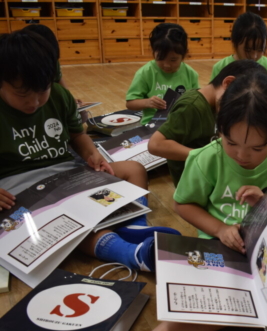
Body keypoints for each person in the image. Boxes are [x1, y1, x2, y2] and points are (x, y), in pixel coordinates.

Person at [93, 71, 267, 331]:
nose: (242, 155)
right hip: (217, 249)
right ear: (219, 127)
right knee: (227, 300)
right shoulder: (206, 157)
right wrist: (220, 229)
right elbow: (182, 204)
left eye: (257, 147)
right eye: (231, 143)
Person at [0, 30, 179, 272]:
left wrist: (91, 154)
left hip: (66, 174)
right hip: (18, 188)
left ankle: (135, 226)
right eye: (22, 94)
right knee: (67, 223)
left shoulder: (60, 95)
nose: (34, 102)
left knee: (134, 169)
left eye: (42, 91)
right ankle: (131, 254)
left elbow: (77, 134)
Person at [148, 60, 267, 186]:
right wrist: (204, 156)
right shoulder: (191, 106)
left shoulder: (217, 104)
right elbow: (156, 144)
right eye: (237, 104)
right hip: (194, 183)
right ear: (228, 83)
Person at [126, 23, 199, 125]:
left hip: (181, 123)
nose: (166, 65)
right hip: (153, 124)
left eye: (173, 60)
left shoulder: (191, 74)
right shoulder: (145, 73)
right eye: (160, 58)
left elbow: (197, 101)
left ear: (184, 55)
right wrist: (148, 102)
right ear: (153, 52)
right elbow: (130, 103)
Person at [209, 12, 267, 81]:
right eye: (248, 50)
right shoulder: (220, 67)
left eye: (260, 49)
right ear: (234, 42)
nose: (254, 56)